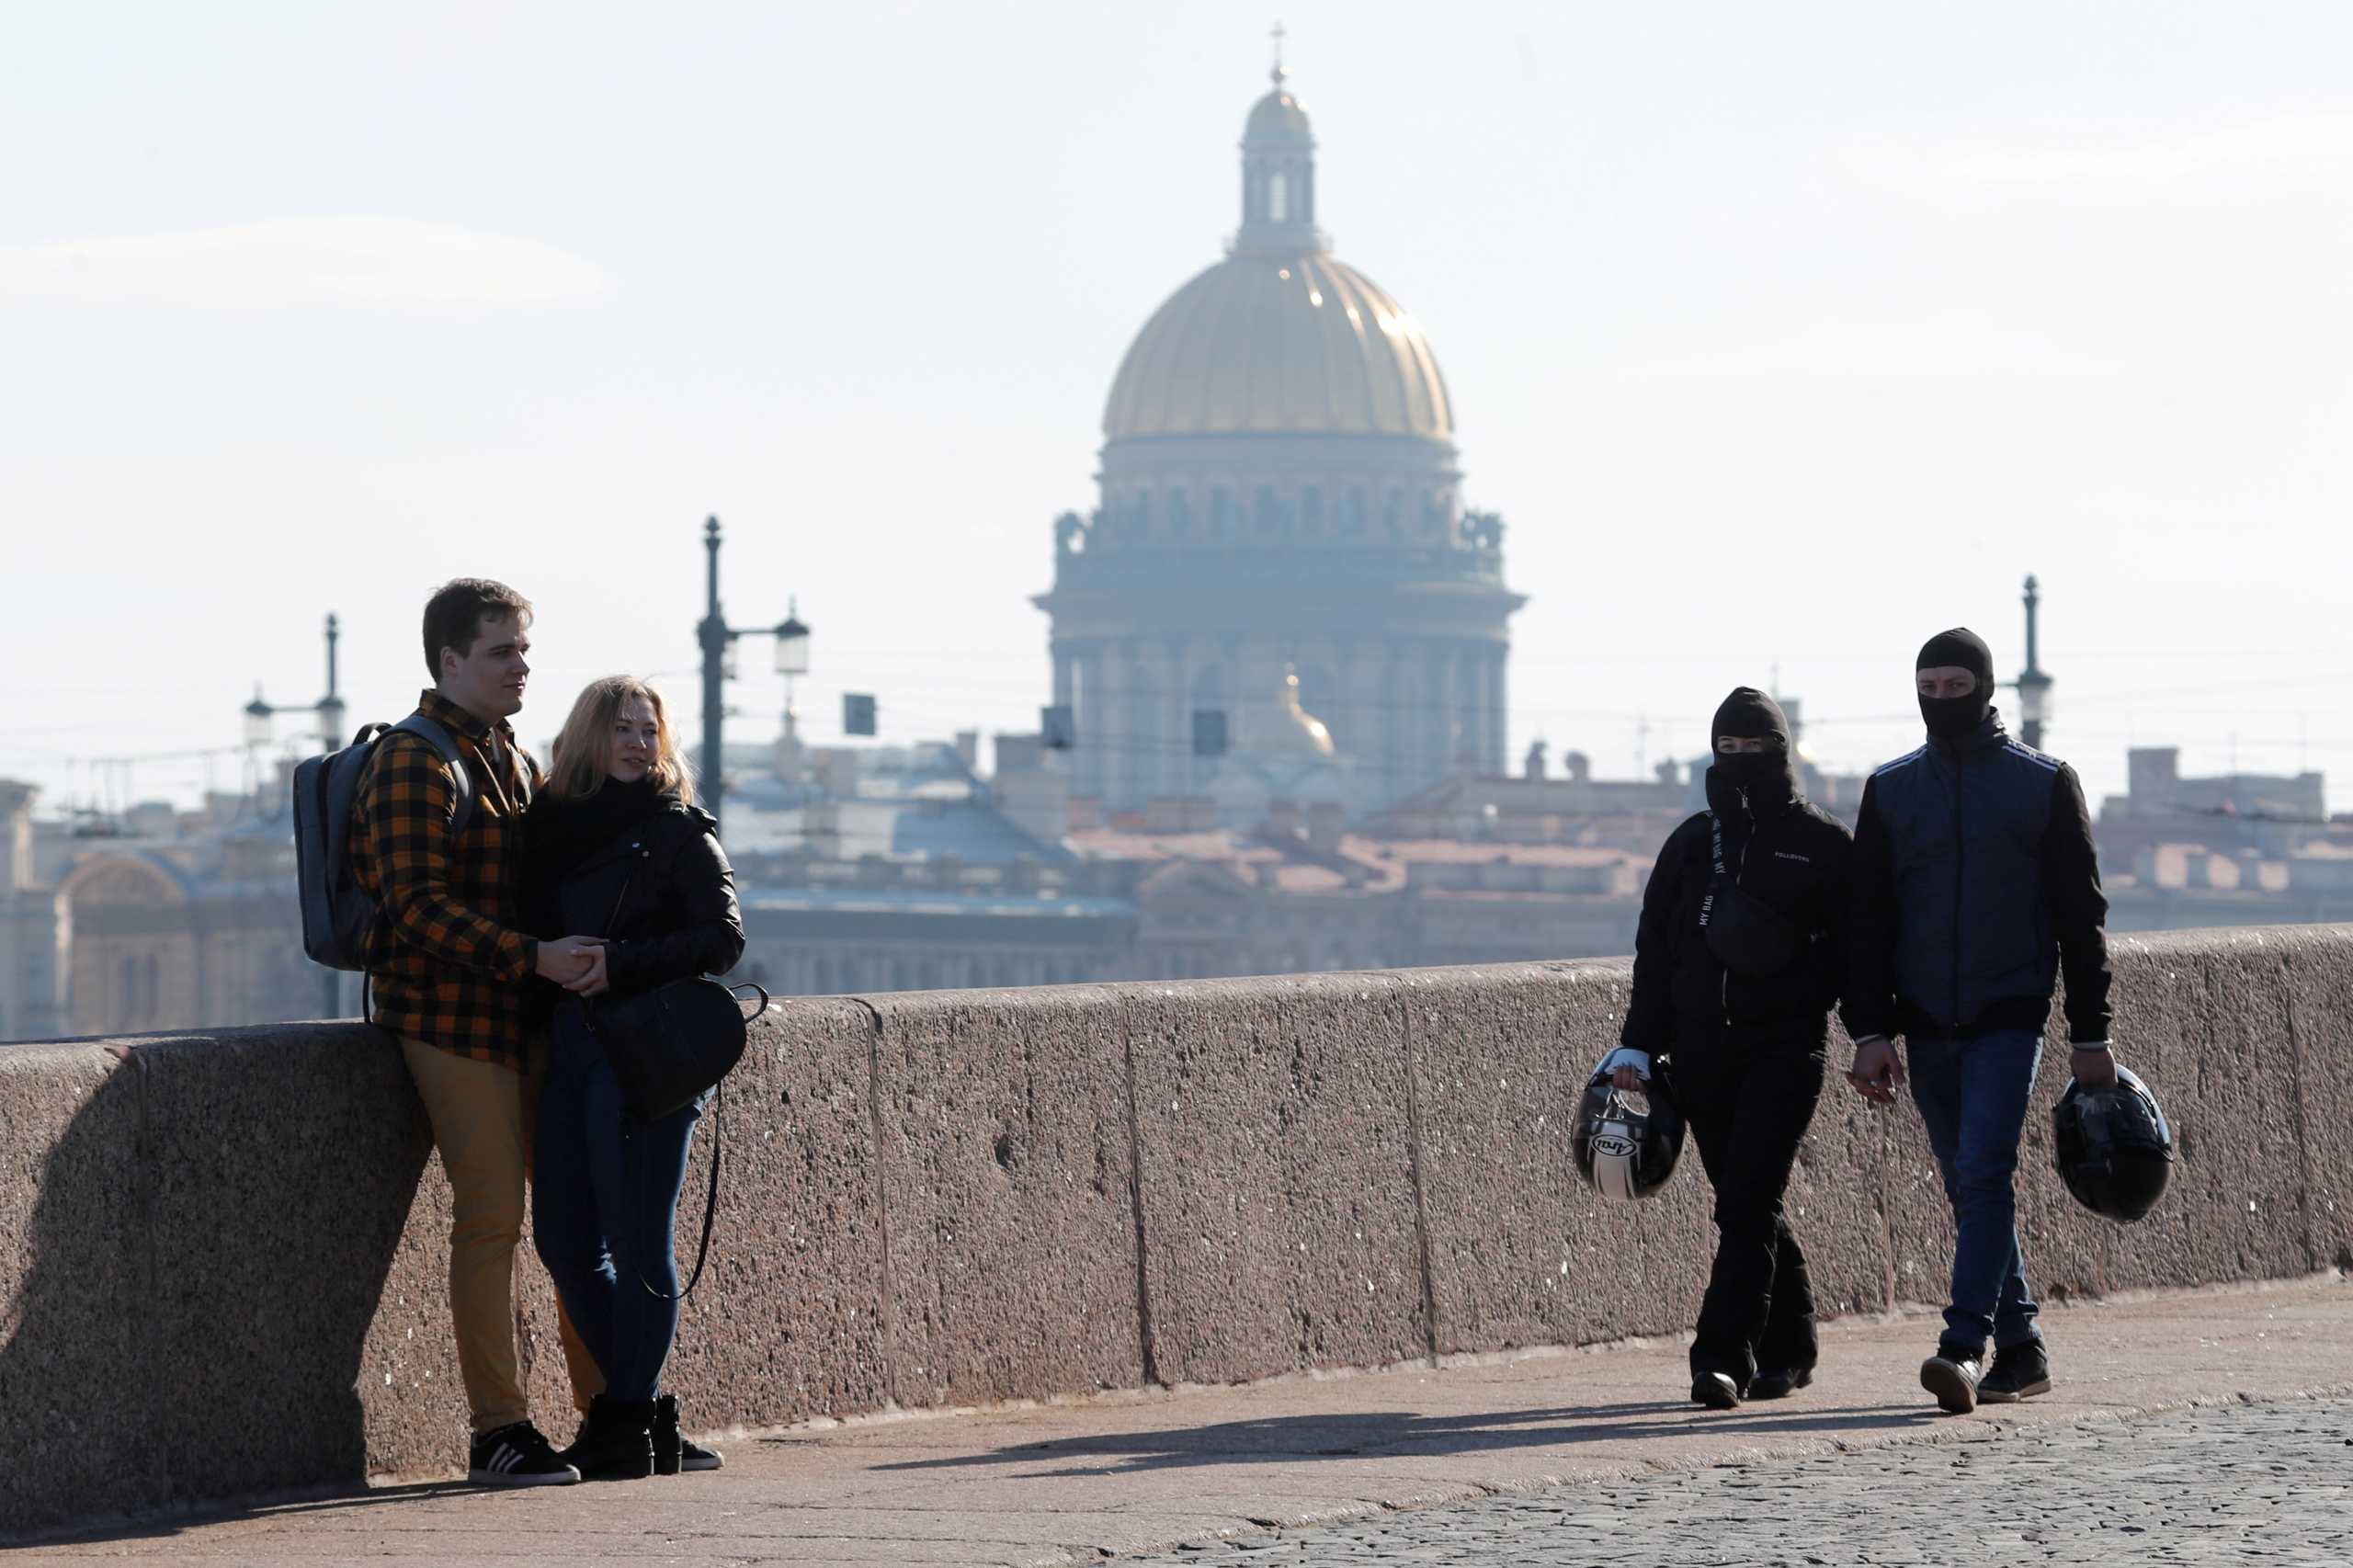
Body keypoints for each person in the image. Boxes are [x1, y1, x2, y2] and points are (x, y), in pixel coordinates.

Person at [353, 578, 607, 1485]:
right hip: (444, 1018)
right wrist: (532, 955)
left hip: (522, 1014)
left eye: (525, 650)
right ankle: (499, 1429)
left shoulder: (510, 754)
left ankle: (609, 1411)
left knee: (579, 1212)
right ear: (449, 659)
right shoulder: (413, 761)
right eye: (502, 651)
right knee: (492, 1216)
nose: (521, 666)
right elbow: (413, 907)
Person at [1845, 628, 2116, 1415]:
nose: (1940, 703)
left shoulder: (2043, 784)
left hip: (2010, 1013)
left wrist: (2089, 1034)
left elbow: (2081, 918)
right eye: (1928, 689)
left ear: (1987, 690)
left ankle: (1963, 1346)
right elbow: (1867, 924)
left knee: (1987, 1170)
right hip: (1925, 1019)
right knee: (1969, 1188)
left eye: (1956, 689)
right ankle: (2023, 1348)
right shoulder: (1891, 792)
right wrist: (1868, 1030)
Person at [526, 676, 744, 1480]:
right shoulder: (547, 828)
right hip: (568, 1053)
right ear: (587, 737)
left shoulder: (679, 829)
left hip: (646, 1060)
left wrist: (618, 965)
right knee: (564, 1242)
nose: (636, 743)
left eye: (648, 730)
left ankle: (623, 1422)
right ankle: (645, 1410)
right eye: (620, 728)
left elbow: (723, 938)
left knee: (639, 1243)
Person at [1614, 687, 1855, 1409]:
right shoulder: (1690, 845)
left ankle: (1721, 1358)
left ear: (1781, 752)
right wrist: (1635, 1046)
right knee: (1748, 1204)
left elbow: (1853, 951)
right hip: (1698, 1055)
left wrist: (1859, 1026)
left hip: (1785, 1050)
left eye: (1756, 748)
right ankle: (1794, 1345)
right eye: (1730, 749)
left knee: (1747, 1205)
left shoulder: (1822, 845)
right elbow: (1654, 955)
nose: (1742, 761)